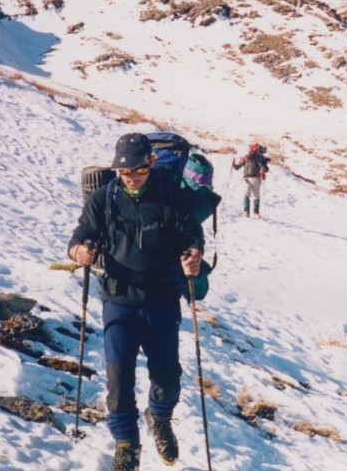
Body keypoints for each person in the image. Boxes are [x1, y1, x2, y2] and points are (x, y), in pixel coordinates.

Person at [68, 133, 204, 471]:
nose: (132, 177)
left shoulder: (170, 195)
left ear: (151, 163)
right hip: (119, 298)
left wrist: (193, 256)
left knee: (168, 375)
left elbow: (192, 236)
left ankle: (158, 418)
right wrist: (79, 251)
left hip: (161, 298)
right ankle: (126, 442)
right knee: (118, 378)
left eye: (139, 170)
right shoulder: (104, 199)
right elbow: (80, 235)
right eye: (126, 171)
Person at [232, 143, 269, 217]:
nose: (251, 151)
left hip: (255, 178)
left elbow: (262, 166)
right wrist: (234, 164)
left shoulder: (257, 157)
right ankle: (248, 212)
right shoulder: (245, 158)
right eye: (250, 149)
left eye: (252, 149)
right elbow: (237, 167)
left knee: (254, 195)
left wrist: (262, 169)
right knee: (248, 194)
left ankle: (254, 212)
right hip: (248, 178)